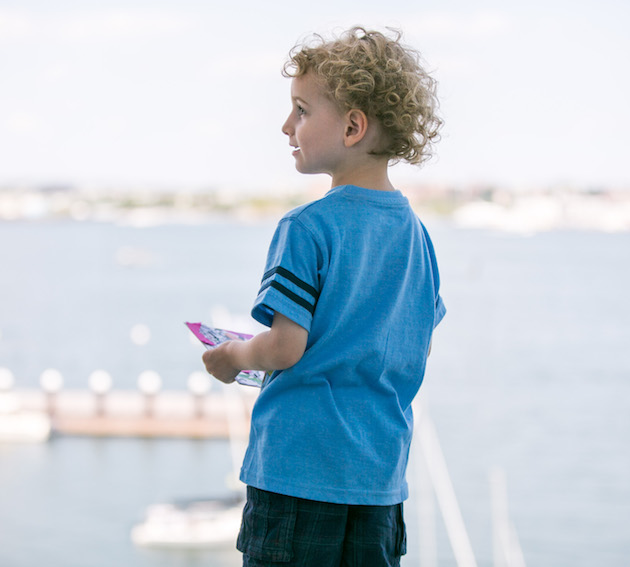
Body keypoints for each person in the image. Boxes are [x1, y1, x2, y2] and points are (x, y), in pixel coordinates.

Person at [202, 26, 445, 566]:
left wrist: (233, 357)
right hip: (378, 482)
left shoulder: (307, 228)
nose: (286, 125)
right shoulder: (417, 235)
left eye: (302, 110)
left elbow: (285, 347)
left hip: (297, 474)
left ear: (354, 126)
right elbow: (417, 348)